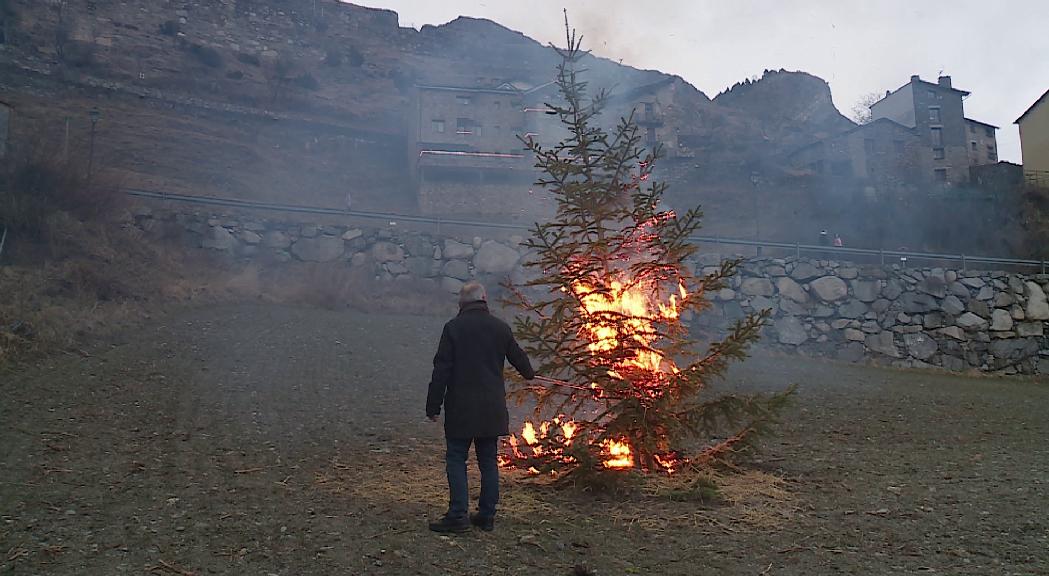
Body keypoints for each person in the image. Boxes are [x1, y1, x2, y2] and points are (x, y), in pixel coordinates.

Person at [426, 281, 535, 533]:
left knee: (456, 459)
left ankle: (458, 516)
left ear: (461, 304)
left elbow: (441, 369)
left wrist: (433, 406)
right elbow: (520, 360)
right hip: (491, 408)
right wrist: (530, 374)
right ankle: (486, 515)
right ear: (484, 299)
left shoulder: (453, 328)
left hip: (461, 409)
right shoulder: (500, 328)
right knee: (488, 461)